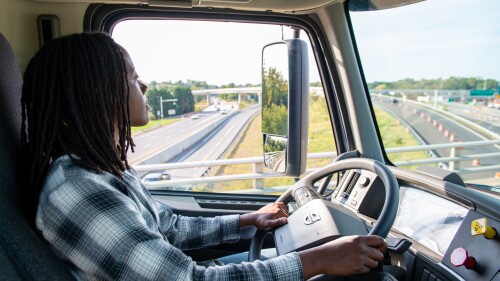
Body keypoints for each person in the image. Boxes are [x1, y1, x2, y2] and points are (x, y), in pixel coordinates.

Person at [21, 32, 387, 280]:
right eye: (133, 77)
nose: (144, 85)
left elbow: (170, 230)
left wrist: (248, 220)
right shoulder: (78, 191)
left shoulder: (102, 168)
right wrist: (318, 260)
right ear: (95, 93)